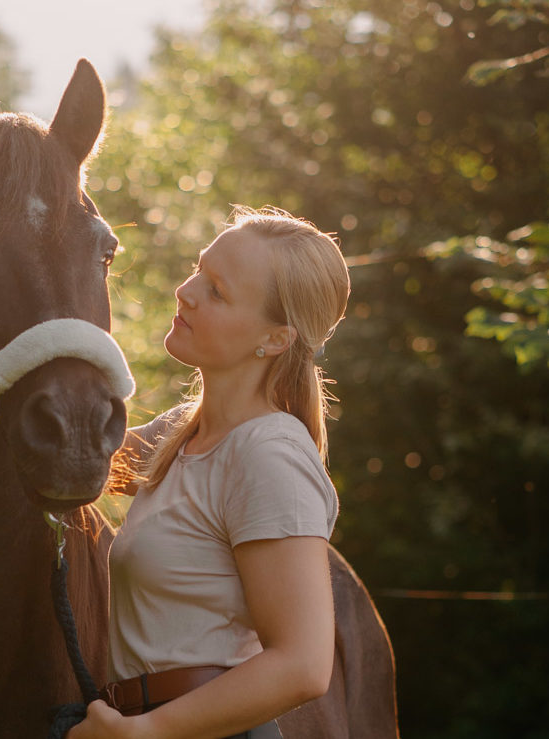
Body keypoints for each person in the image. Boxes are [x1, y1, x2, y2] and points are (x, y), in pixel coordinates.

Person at [68, 205, 350, 739]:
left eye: (216, 290)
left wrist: (146, 733)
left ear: (274, 340)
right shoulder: (182, 433)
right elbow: (80, 457)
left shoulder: (270, 456)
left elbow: (304, 666)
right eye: (199, 269)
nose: (186, 291)